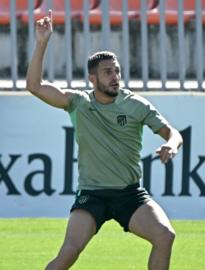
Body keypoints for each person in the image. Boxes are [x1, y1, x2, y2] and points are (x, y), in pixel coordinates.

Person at [26, 11, 182, 270]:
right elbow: (34, 86)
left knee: (165, 236)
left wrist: (171, 145)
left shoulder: (135, 104)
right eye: (108, 72)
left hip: (130, 195)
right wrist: (42, 42)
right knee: (68, 254)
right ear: (93, 78)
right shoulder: (79, 103)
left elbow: (172, 132)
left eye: (117, 71)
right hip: (92, 195)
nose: (115, 77)